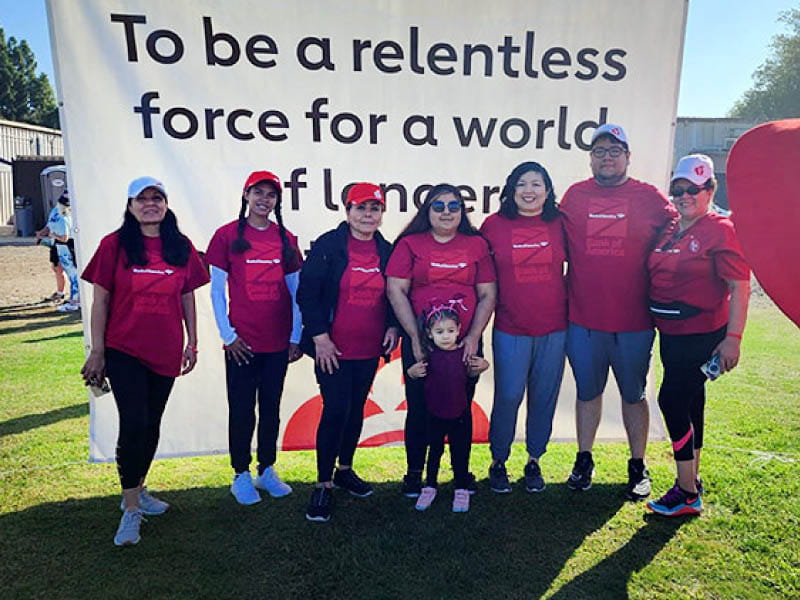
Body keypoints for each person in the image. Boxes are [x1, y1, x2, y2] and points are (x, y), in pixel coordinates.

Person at [80, 176, 209, 546]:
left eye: (157, 198)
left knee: (151, 424)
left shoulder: (180, 245)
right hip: (124, 349)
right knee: (134, 423)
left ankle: (138, 488)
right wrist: (98, 350)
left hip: (165, 349)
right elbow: (100, 301)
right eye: (142, 199)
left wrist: (192, 342)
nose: (150, 204)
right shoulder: (114, 245)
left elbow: (187, 297)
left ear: (166, 205)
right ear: (130, 205)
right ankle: (131, 508)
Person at [559, 124, 676, 500]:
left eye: (614, 150)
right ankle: (584, 459)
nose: (607, 157)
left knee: (634, 395)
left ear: (627, 157)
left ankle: (638, 464)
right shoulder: (575, 196)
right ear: (590, 159)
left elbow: (680, 228)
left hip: (634, 322)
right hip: (583, 320)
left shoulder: (649, 197)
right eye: (599, 151)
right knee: (587, 393)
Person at [646, 155, 750, 516]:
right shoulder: (670, 226)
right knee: (691, 402)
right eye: (678, 189)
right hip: (672, 334)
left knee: (672, 401)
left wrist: (733, 338)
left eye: (694, 188)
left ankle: (687, 492)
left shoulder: (721, 229)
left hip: (702, 333)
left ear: (710, 190)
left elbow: (739, 286)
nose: (685, 196)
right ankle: (693, 478)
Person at [386, 184, 497, 498]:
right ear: (427, 211)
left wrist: (473, 337)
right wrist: (414, 337)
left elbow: (488, 294)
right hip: (421, 343)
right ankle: (415, 474)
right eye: (438, 206)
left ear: (462, 211)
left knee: (460, 408)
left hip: (464, 344)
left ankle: (461, 474)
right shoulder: (410, 244)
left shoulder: (477, 245)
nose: (446, 212)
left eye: (453, 206)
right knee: (420, 408)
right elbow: (396, 290)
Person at [298, 182, 399, 522]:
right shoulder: (328, 245)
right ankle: (323, 483)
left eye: (375, 208)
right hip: (332, 349)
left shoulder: (387, 250)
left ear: (381, 214)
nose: (368, 214)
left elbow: (395, 295)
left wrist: (392, 325)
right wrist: (320, 338)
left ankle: (344, 470)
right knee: (336, 409)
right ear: (348, 210)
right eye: (361, 207)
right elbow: (307, 295)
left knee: (355, 409)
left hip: (368, 349)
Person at [206, 171, 303, 506]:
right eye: (258, 192)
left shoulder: (286, 239)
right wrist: (228, 336)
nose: (264, 199)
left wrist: (295, 336)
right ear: (246, 195)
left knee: (271, 408)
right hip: (242, 345)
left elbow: (296, 292)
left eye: (271, 194)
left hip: (277, 343)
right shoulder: (226, 236)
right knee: (242, 410)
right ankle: (240, 474)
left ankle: (267, 469)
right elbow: (216, 291)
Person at [480, 162, 567, 494]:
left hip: (554, 327)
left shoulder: (561, 223)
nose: (529, 191)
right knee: (509, 395)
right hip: (510, 327)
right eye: (521, 184)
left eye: (536, 184)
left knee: (544, 396)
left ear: (547, 190)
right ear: (511, 189)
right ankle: (498, 460)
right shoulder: (493, 225)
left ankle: (534, 460)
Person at [407, 306, 489, 512]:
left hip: (459, 415)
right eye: (440, 332)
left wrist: (484, 365)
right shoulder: (427, 355)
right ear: (429, 333)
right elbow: (413, 374)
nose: (445, 336)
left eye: (450, 331)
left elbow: (473, 372)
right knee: (434, 452)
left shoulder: (464, 354)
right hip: (434, 414)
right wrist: (412, 372)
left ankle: (461, 488)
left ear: (459, 330)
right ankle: (430, 485)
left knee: (459, 452)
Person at [37, 191, 80, 312]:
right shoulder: (57, 212)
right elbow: (50, 225)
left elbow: (65, 237)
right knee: (66, 271)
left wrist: (53, 235)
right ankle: (74, 299)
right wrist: (44, 233)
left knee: (73, 275)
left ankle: (75, 301)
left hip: (66, 247)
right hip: (60, 247)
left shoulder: (65, 217)